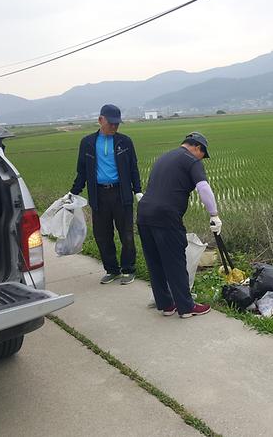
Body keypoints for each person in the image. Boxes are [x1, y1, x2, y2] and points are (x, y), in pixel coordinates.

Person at [137, 132, 221, 318]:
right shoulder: (191, 160)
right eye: (203, 155)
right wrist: (214, 215)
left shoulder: (164, 157)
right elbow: (203, 188)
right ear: (198, 148)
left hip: (143, 213)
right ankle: (186, 307)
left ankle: (166, 305)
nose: (202, 159)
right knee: (175, 261)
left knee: (155, 261)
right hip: (166, 216)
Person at [70, 104, 142, 284]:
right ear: (100, 120)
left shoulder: (124, 141)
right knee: (102, 235)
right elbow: (82, 171)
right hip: (99, 195)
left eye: (118, 124)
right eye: (111, 123)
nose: (115, 127)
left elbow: (133, 168)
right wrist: (73, 192)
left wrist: (138, 191)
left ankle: (128, 269)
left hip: (121, 193)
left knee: (126, 234)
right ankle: (112, 270)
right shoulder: (87, 142)